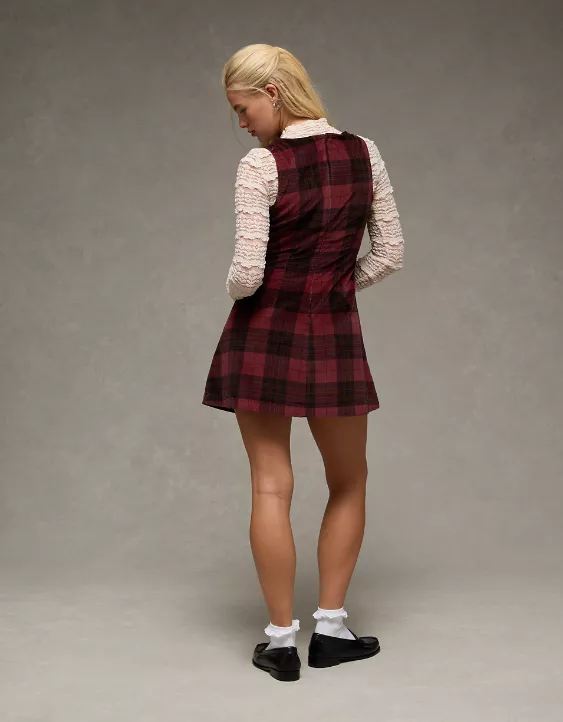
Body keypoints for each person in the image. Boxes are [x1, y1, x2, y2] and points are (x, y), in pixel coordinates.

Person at [202, 43, 404, 682]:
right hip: (335, 332)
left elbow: (246, 272)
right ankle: (333, 631)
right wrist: (334, 289)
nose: (241, 123)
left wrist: (239, 290)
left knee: (270, 485)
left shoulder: (260, 165)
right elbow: (390, 253)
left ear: (273, 93)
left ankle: (281, 643)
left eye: (243, 108)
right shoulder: (364, 152)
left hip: (264, 334)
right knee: (350, 479)